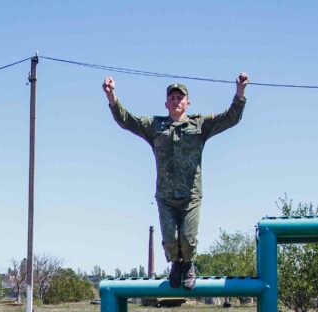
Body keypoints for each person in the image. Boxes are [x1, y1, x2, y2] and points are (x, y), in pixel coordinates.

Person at [103, 73, 249, 290]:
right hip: (165, 196)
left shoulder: (200, 124)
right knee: (171, 241)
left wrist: (240, 91)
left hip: (190, 195)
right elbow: (127, 120)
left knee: (188, 239)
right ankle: (176, 265)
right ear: (166, 104)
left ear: (188, 103)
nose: (176, 101)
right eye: (172, 98)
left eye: (180, 98)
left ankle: (188, 265)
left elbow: (230, 118)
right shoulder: (155, 126)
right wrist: (111, 95)